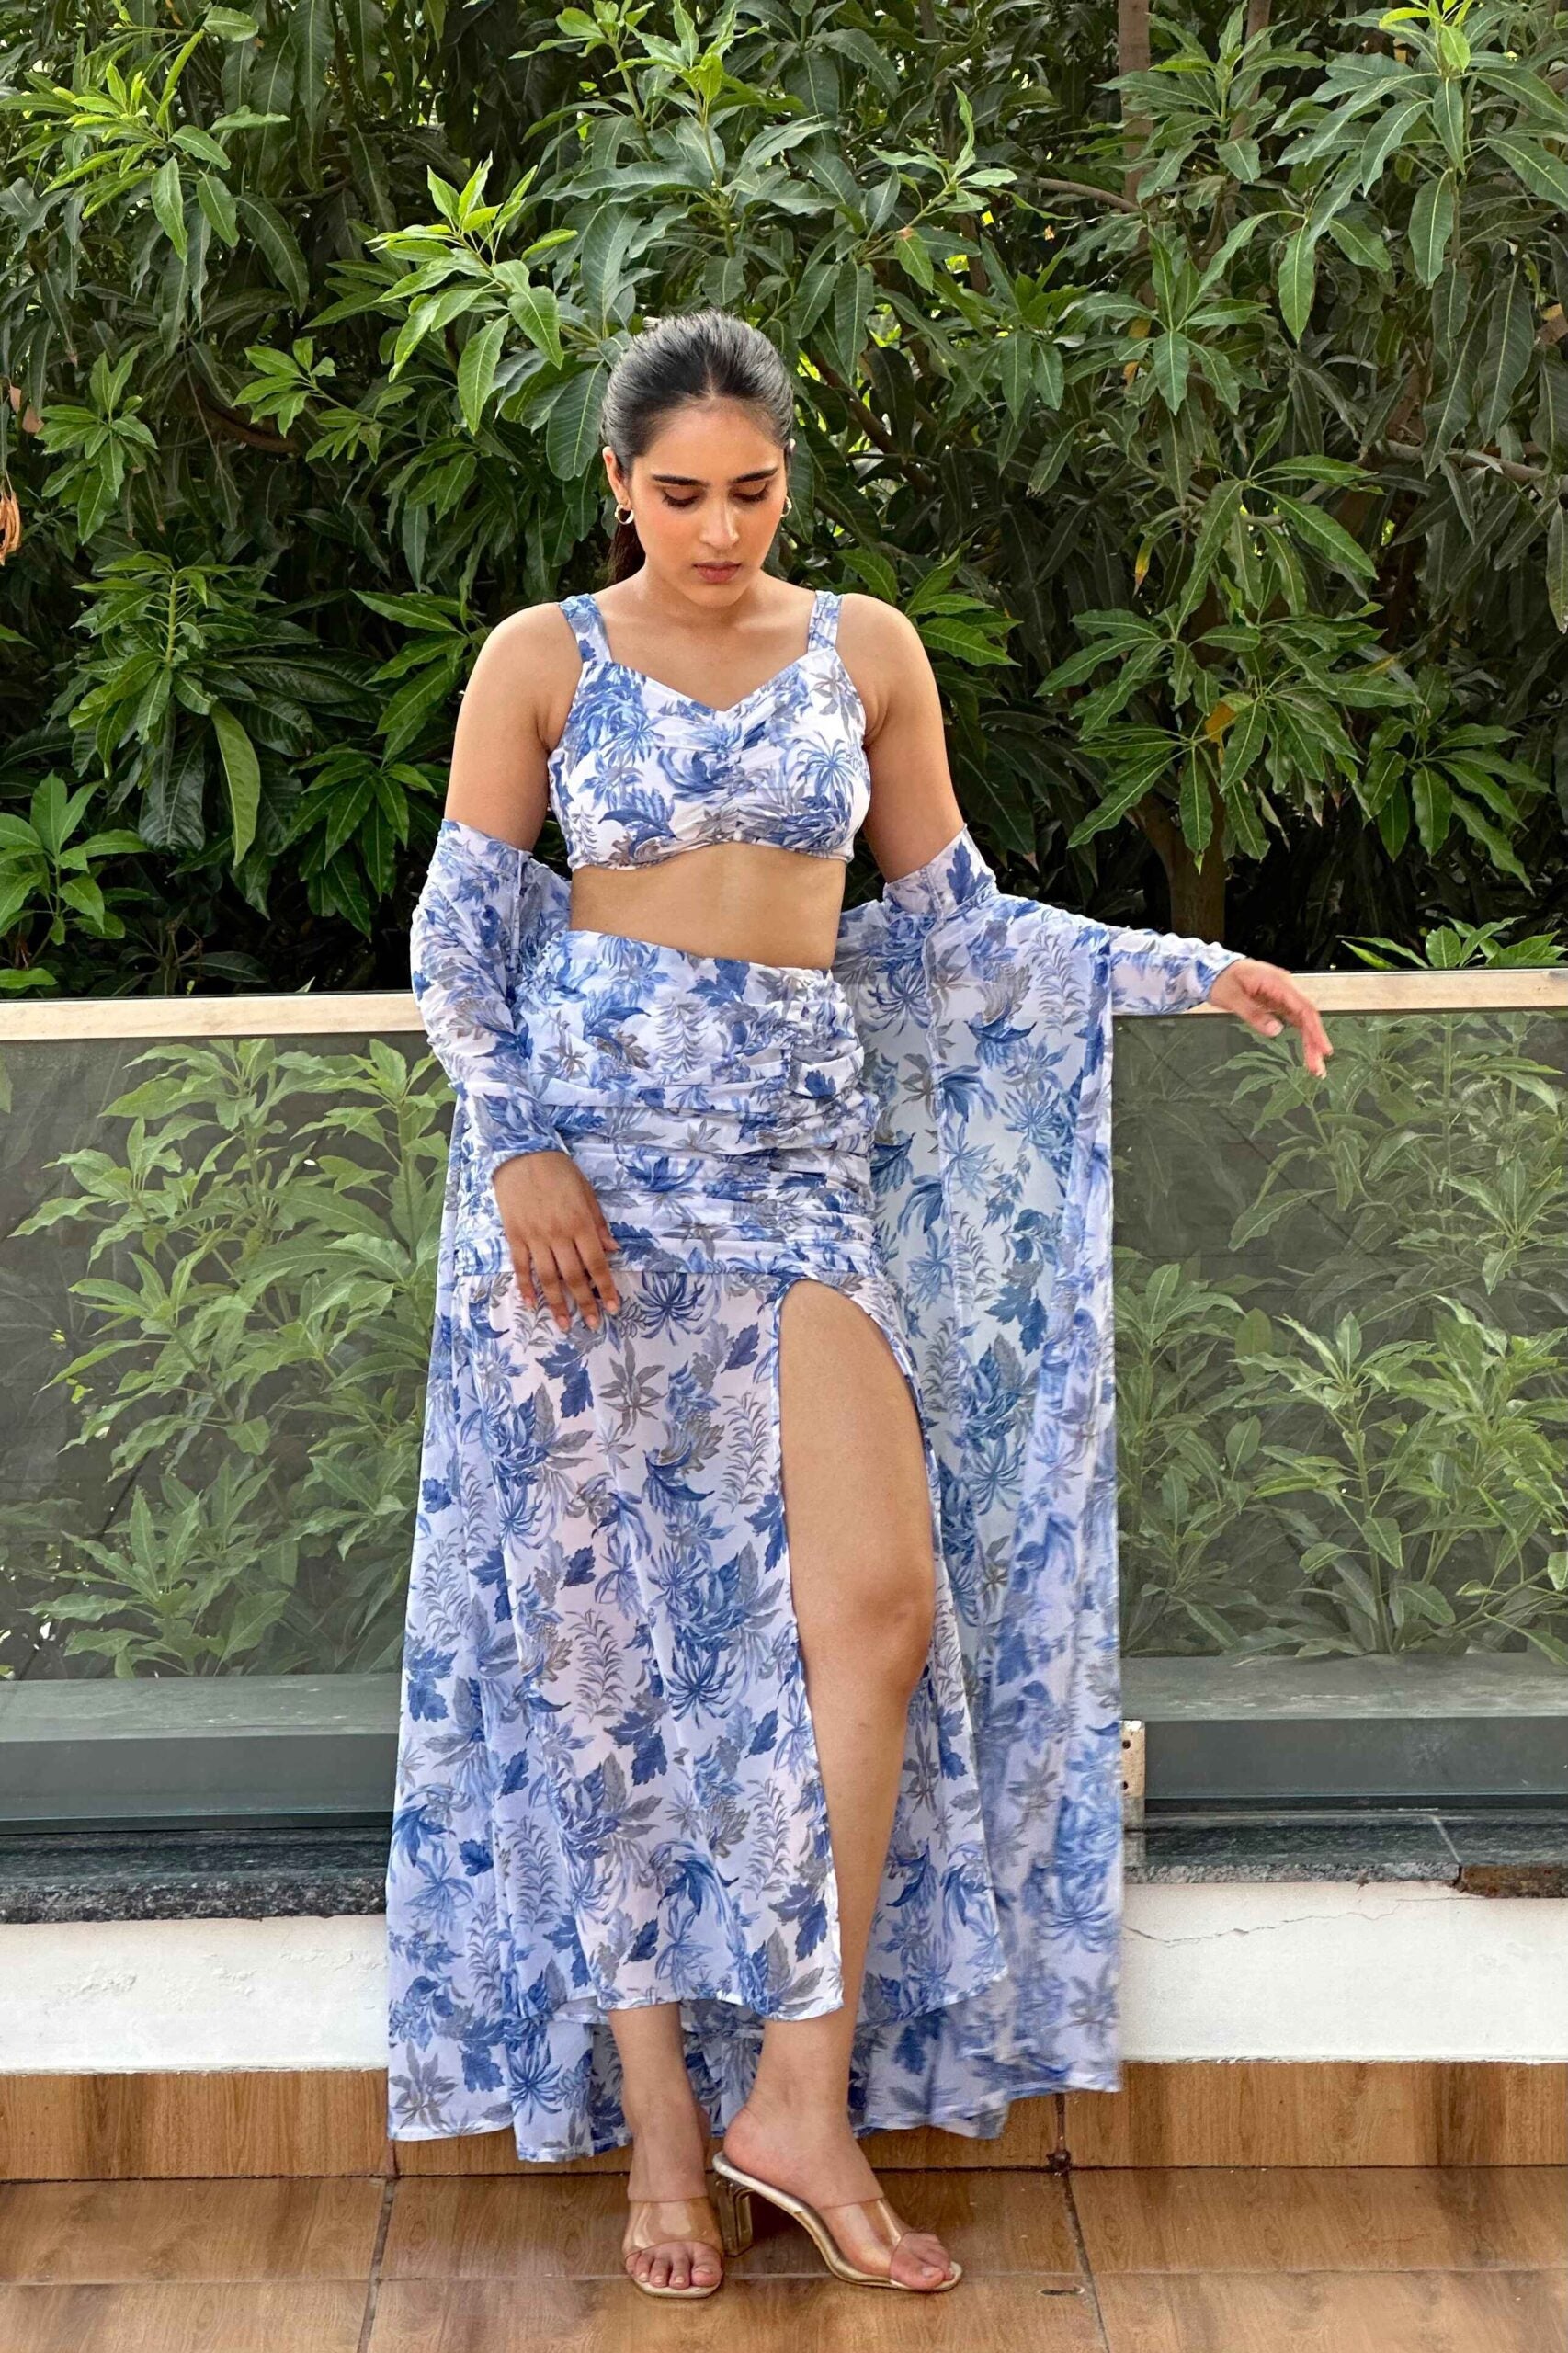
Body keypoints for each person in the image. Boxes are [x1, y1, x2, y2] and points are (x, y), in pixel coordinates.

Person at [384, 308, 1330, 2301]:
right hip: (584, 1189)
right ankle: (664, 2124)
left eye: (751, 489)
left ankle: (796, 2100)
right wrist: (521, 1147)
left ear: (787, 478)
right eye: (678, 494)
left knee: (878, 1609)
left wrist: (1187, 968)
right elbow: (460, 943)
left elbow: (954, 932)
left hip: (796, 1169)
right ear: (617, 486)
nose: (719, 528)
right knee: (610, 1656)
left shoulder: (864, 649)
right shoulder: (540, 657)